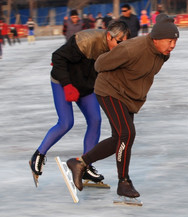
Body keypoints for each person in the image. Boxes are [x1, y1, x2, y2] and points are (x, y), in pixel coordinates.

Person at [66, 14, 179, 199]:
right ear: (156, 38)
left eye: (175, 41)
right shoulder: (131, 48)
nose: (172, 45)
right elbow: (100, 64)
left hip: (129, 96)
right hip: (110, 90)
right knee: (127, 133)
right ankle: (123, 182)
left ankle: (79, 163)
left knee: (119, 139)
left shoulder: (162, 54)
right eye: (169, 41)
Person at [29, 21, 131, 185]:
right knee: (66, 123)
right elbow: (57, 57)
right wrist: (67, 85)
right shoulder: (86, 40)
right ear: (108, 36)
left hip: (86, 85)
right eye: (119, 42)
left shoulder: (117, 50)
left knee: (95, 120)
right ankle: (38, 155)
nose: (121, 46)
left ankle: (85, 167)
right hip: (64, 81)